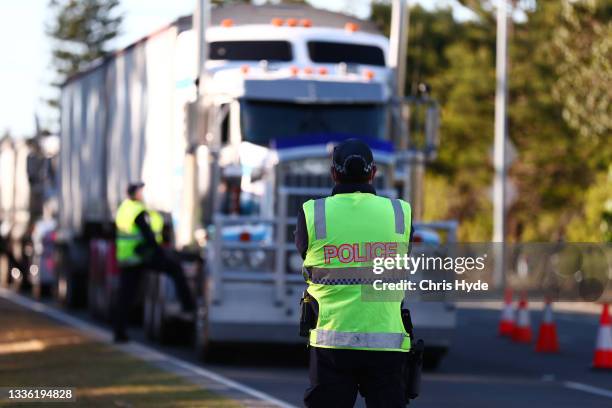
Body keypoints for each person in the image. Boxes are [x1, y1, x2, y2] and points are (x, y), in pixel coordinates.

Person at [295, 139, 414, 408]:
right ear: (373, 173)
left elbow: (305, 254)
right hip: (388, 343)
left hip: (331, 344)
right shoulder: (400, 212)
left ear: (333, 173)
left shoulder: (313, 213)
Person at [113, 182, 195, 343]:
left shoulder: (125, 208)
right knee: (175, 269)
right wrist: (160, 253)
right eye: (141, 191)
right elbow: (148, 236)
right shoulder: (137, 211)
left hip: (129, 258)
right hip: (139, 257)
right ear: (135, 194)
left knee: (125, 296)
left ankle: (119, 332)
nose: (143, 194)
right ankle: (188, 306)